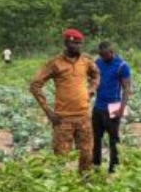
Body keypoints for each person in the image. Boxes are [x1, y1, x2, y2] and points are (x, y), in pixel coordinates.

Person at [30, 28, 100, 175]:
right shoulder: (55, 63)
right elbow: (35, 85)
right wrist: (48, 111)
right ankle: (61, 184)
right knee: (60, 157)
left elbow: (96, 75)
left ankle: (85, 182)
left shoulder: (86, 61)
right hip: (63, 119)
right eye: (75, 43)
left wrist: (91, 89)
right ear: (66, 43)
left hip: (83, 117)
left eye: (80, 43)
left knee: (87, 155)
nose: (78, 46)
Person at [92, 41, 132, 174]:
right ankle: (96, 164)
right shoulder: (97, 63)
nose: (103, 58)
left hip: (114, 105)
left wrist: (122, 108)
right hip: (98, 105)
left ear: (111, 52)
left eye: (105, 55)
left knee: (114, 139)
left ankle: (113, 168)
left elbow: (126, 88)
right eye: (101, 55)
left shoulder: (122, 65)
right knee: (96, 137)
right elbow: (92, 79)